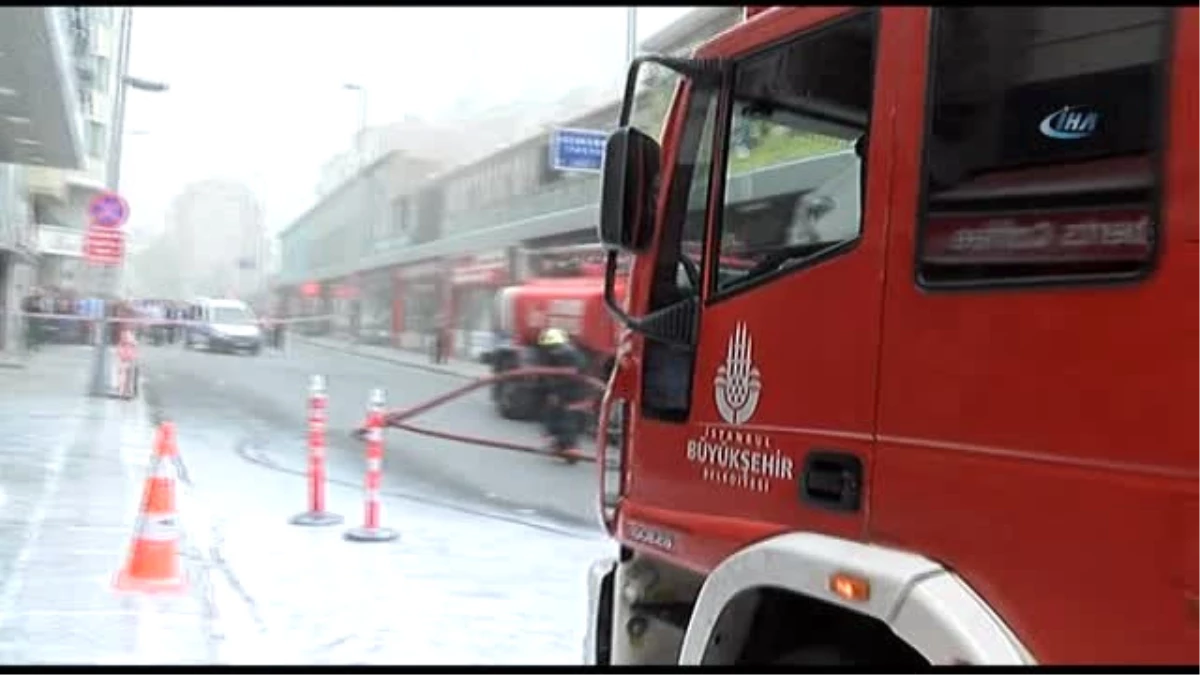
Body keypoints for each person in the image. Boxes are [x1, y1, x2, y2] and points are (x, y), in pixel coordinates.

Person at [533, 327, 589, 460]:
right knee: (565, 417)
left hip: (569, 392)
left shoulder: (560, 354)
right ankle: (563, 444)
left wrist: (554, 392)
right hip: (576, 392)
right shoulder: (572, 352)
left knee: (563, 417)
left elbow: (563, 375)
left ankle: (567, 446)